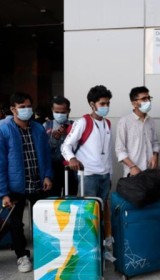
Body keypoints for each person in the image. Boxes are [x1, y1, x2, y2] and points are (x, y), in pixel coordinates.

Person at [0, 92, 53, 272]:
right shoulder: (3, 129)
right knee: (16, 223)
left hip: (38, 182)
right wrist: (3, 192)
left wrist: (47, 175)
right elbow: (0, 162)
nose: (26, 110)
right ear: (13, 109)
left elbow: (46, 155)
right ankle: (22, 256)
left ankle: (44, 252)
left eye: (28, 106)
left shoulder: (38, 128)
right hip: (15, 185)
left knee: (42, 220)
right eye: (22, 107)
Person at [61, 85, 114, 260]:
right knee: (86, 214)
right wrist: (72, 159)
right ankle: (85, 251)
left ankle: (101, 248)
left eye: (107, 103)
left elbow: (107, 152)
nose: (105, 106)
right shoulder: (82, 122)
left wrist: (110, 174)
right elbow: (65, 146)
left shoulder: (107, 123)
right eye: (102, 103)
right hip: (88, 176)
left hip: (104, 176)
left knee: (102, 213)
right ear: (92, 104)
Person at [115, 86, 160, 176]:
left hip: (150, 171)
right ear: (134, 103)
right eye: (144, 99)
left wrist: (155, 156)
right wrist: (132, 167)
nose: (148, 101)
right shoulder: (125, 122)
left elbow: (155, 143)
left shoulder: (151, 121)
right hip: (133, 173)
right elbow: (120, 150)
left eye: (148, 98)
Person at [44, 96, 77, 196]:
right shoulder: (46, 126)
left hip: (71, 168)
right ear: (52, 110)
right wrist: (54, 140)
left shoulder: (75, 126)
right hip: (53, 169)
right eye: (57, 112)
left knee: (71, 199)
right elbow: (44, 150)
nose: (60, 115)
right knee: (53, 200)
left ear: (68, 111)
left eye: (63, 112)